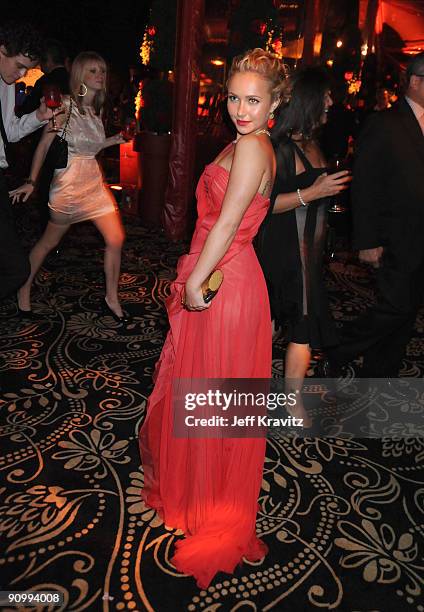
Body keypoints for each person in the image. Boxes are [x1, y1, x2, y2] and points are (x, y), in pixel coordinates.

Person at [139, 48, 285, 588]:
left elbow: (225, 225)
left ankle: (215, 511)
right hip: (226, 276)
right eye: (233, 97)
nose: (240, 109)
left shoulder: (252, 148)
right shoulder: (252, 143)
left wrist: (195, 283)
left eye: (254, 100)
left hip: (226, 282)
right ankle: (202, 498)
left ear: (276, 103)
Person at [325, 52, 424, 378]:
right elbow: (364, 184)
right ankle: (339, 346)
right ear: (414, 81)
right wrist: (366, 240)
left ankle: (380, 374)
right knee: (396, 307)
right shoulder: (384, 122)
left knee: (405, 312)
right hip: (391, 237)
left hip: (419, 238)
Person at [258, 67, 350, 415]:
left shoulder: (313, 144)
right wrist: (313, 192)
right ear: (309, 100)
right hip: (282, 251)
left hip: (308, 252)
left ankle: (290, 401)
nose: (331, 101)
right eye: (325, 95)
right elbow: (262, 205)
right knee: (275, 324)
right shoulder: (279, 148)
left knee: (302, 326)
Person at [10, 51, 128, 321]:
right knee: (48, 243)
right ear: (79, 76)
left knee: (116, 238)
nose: (100, 76)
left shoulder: (94, 110)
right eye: (93, 71)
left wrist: (113, 140)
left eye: (102, 71)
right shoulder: (63, 105)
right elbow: (43, 146)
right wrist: (31, 181)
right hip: (69, 186)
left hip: (94, 184)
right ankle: (23, 288)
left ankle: (111, 297)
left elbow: (91, 146)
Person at [0, 21, 55, 301]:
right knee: (14, 268)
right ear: (2, 50)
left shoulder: (7, 84)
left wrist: (39, 118)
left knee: (17, 269)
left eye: (27, 69)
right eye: (19, 65)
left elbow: (8, 131)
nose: (22, 74)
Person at [19, 39, 70, 233]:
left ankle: (48, 231)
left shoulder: (46, 82)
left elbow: (27, 110)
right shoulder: (73, 79)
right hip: (71, 142)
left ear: (48, 61)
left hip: (51, 140)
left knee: (48, 187)